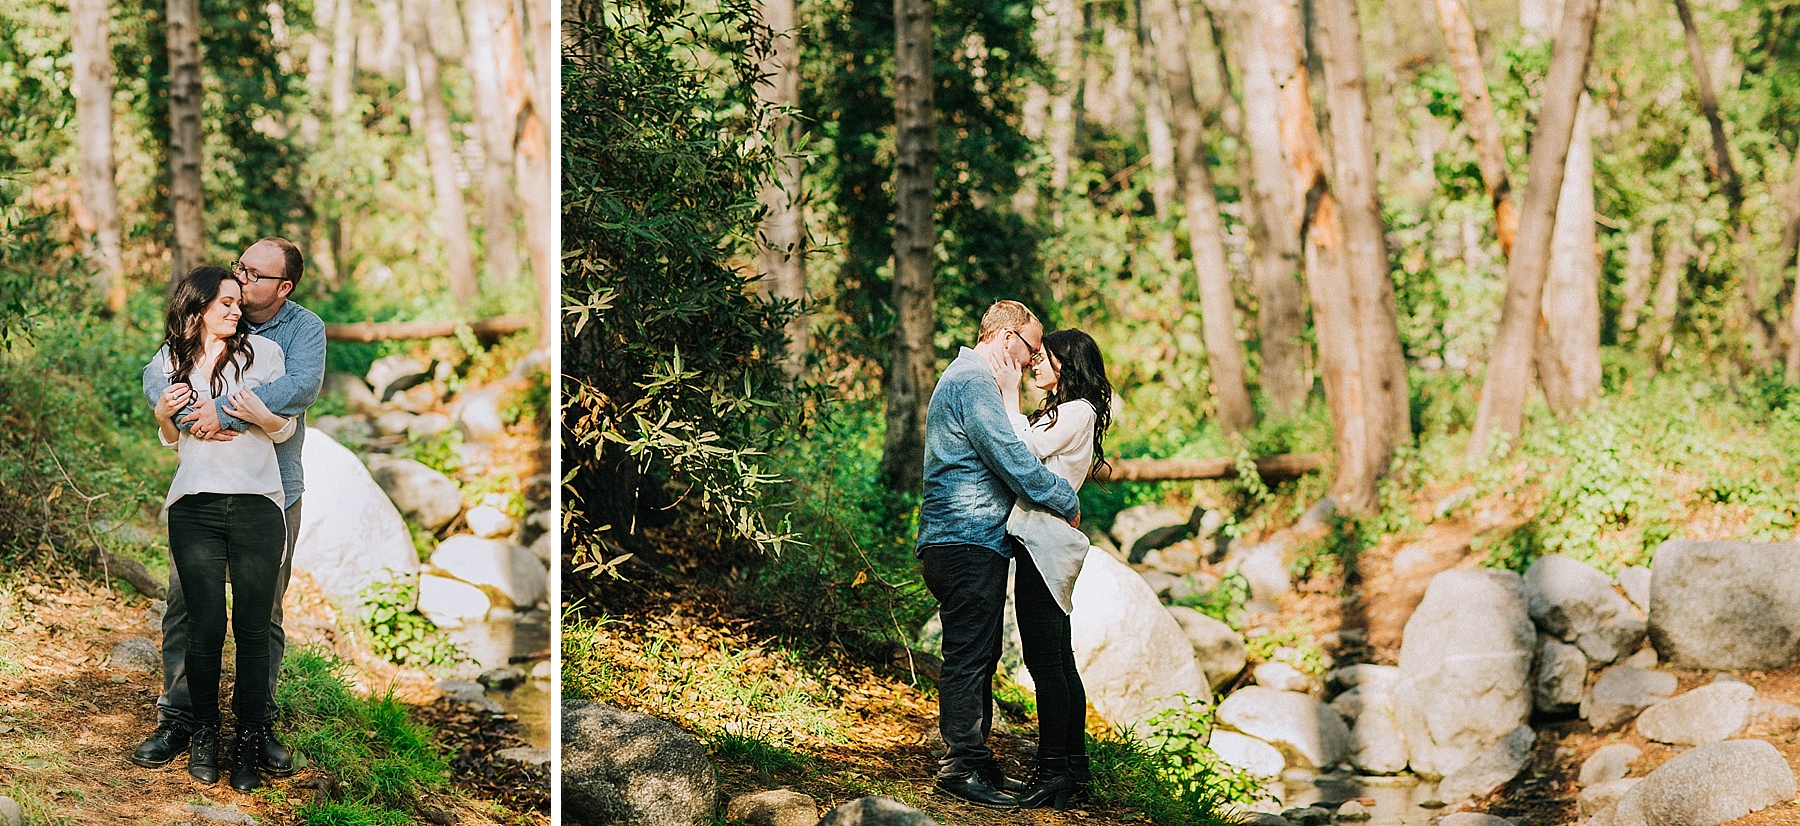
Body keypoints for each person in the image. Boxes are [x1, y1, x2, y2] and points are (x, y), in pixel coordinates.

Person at [134, 239, 325, 782]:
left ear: (282, 287)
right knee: (186, 609)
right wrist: (180, 411)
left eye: (254, 276)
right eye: (238, 269)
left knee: (262, 614)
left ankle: (256, 728)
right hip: (200, 492)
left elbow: (297, 389)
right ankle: (182, 719)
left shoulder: (298, 331)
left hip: (273, 489)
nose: (241, 283)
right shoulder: (197, 333)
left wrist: (224, 415)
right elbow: (159, 374)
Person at [916, 300, 1081, 810]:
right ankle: (960, 767)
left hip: (972, 539)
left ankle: (979, 761)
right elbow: (1012, 458)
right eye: (1033, 349)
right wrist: (1065, 498)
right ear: (1007, 338)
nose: (1035, 361)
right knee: (968, 657)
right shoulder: (973, 381)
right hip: (963, 540)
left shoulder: (971, 379)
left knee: (981, 653)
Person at [989, 328, 1113, 810]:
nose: (1035, 363)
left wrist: (1007, 391)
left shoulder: (1077, 410)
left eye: (1045, 358)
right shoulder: (1068, 412)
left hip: (1045, 545)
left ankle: (1051, 770)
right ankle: (1073, 768)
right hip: (1044, 543)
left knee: (1045, 663)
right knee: (1060, 660)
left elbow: (1021, 453)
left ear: (1069, 365)